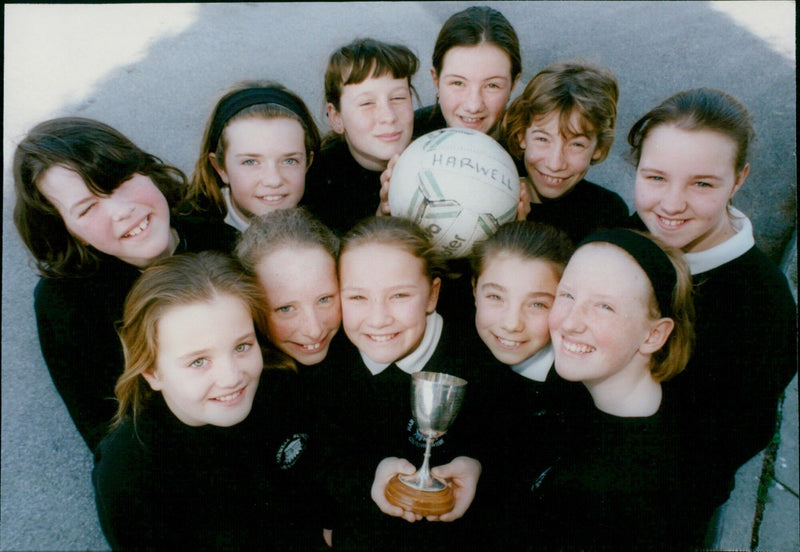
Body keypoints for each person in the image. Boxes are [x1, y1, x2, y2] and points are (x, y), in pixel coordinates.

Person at [627, 88, 797, 531]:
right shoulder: (629, 236)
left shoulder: (764, 309)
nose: (671, 204)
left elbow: (718, 455)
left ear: (739, 179)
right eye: (656, 177)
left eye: (702, 183)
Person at [13, 117, 238, 450]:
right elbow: (106, 431)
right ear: (68, 231)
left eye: (119, 181)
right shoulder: (65, 304)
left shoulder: (218, 239)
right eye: (88, 208)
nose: (121, 211)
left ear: (146, 170)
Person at [92, 252, 326, 550]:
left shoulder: (282, 390)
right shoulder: (129, 470)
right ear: (152, 372)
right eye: (198, 362)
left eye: (242, 346)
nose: (231, 378)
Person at [318, 216, 483, 551]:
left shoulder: (475, 358)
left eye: (399, 296)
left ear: (432, 296)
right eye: (357, 298)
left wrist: (476, 465)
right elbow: (330, 455)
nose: (378, 319)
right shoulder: (332, 363)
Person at [530, 228, 701, 550]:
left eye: (604, 307)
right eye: (567, 295)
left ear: (653, 336)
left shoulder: (632, 491)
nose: (569, 323)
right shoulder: (579, 378)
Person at [468, 221, 593, 549]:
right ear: (473, 290)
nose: (511, 323)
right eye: (495, 296)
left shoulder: (578, 396)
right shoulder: (462, 358)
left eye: (538, 304)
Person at [499, 60, 629, 244]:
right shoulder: (492, 194)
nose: (555, 163)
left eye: (576, 145)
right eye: (542, 139)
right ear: (521, 135)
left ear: (598, 148)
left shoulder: (606, 214)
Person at [303, 38, 418, 235]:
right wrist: (382, 217)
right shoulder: (316, 186)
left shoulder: (436, 142)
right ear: (337, 118)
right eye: (366, 103)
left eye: (398, 98)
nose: (388, 116)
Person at [184, 80, 321, 232]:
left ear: (307, 163)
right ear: (221, 168)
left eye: (289, 161)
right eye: (250, 162)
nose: (273, 180)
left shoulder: (332, 223)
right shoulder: (194, 238)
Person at [414, 5, 521, 138]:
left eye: (492, 85)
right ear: (436, 81)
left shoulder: (533, 148)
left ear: (513, 85)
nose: (473, 106)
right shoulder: (410, 134)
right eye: (458, 83)